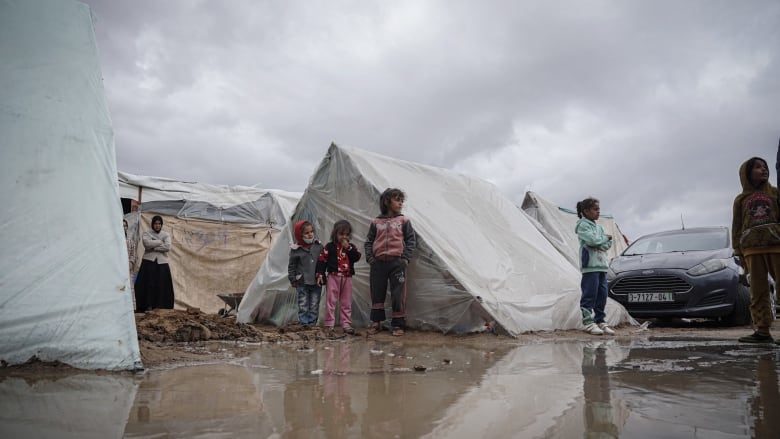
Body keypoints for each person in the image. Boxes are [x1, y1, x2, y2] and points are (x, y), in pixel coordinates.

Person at [732, 156, 780, 344]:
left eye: (765, 167)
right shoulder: (741, 199)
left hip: (776, 246)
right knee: (758, 292)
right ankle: (762, 331)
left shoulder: (775, 194)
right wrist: (738, 250)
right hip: (751, 249)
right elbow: (736, 225)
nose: (763, 170)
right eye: (758, 167)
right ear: (747, 173)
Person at [365, 188, 416, 336]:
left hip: (397, 263)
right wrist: (370, 258)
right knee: (377, 293)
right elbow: (369, 241)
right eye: (397, 199)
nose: (400, 203)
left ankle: (398, 325)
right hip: (378, 263)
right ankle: (376, 322)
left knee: (398, 294)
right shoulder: (376, 222)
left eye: (402, 200)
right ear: (387, 202)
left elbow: (411, 240)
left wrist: (405, 258)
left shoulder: (403, 221)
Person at [575, 197, 614, 336]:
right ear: (586, 211)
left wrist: (601, 241)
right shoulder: (582, 225)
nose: (598, 212)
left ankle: (600, 321)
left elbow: (607, 245)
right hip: (590, 266)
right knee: (589, 294)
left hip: (602, 266)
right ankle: (588, 322)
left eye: (599, 209)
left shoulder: (599, 227)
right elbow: (592, 241)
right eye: (595, 209)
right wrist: (604, 239)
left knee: (602, 295)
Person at [317, 220, 362, 336]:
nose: (344, 237)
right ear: (335, 234)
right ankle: (329, 324)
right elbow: (322, 260)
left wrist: (349, 248)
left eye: (347, 235)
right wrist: (320, 274)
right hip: (333, 277)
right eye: (341, 234)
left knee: (346, 302)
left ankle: (346, 324)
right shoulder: (330, 246)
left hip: (347, 278)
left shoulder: (351, 247)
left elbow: (356, 257)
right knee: (331, 301)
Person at [134, 215, 175, 312]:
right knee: (148, 284)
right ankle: (147, 305)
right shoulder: (147, 233)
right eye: (156, 223)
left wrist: (154, 246)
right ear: (152, 224)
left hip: (162, 263)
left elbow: (168, 247)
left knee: (161, 285)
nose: (157, 226)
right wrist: (161, 242)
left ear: (161, 225)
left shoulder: (166, 234)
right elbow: (147, 244)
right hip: (148, 262)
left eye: (159, 224)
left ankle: (160, 306)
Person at [288, 220, 324, 327]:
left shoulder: (318, 246)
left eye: (312, 231)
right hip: (302, 281)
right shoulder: (296, 250)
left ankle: (312, 323)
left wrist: (322, 274)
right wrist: (292, 278)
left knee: (314, 303)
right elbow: (292, 266)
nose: (310, 234)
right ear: (300, 235)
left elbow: (323, 261)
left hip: (316, 281)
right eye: (307, 233)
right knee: (303, 303)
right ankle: (304, 323)